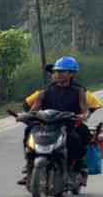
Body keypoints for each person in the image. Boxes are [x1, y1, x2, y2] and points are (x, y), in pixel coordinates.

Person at [13, 56, 100, 184]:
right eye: (55, 72)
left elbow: (85, 110)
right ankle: (30, 165)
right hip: (46, 124)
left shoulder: (79, 91)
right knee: (29, 131)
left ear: (71, 74)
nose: (57, 74)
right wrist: (25, 116)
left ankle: (74, 168)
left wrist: (84, 115)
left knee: (76, 139)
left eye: (61, 71)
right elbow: (34, 108)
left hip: (67, 125)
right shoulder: (45, 91)